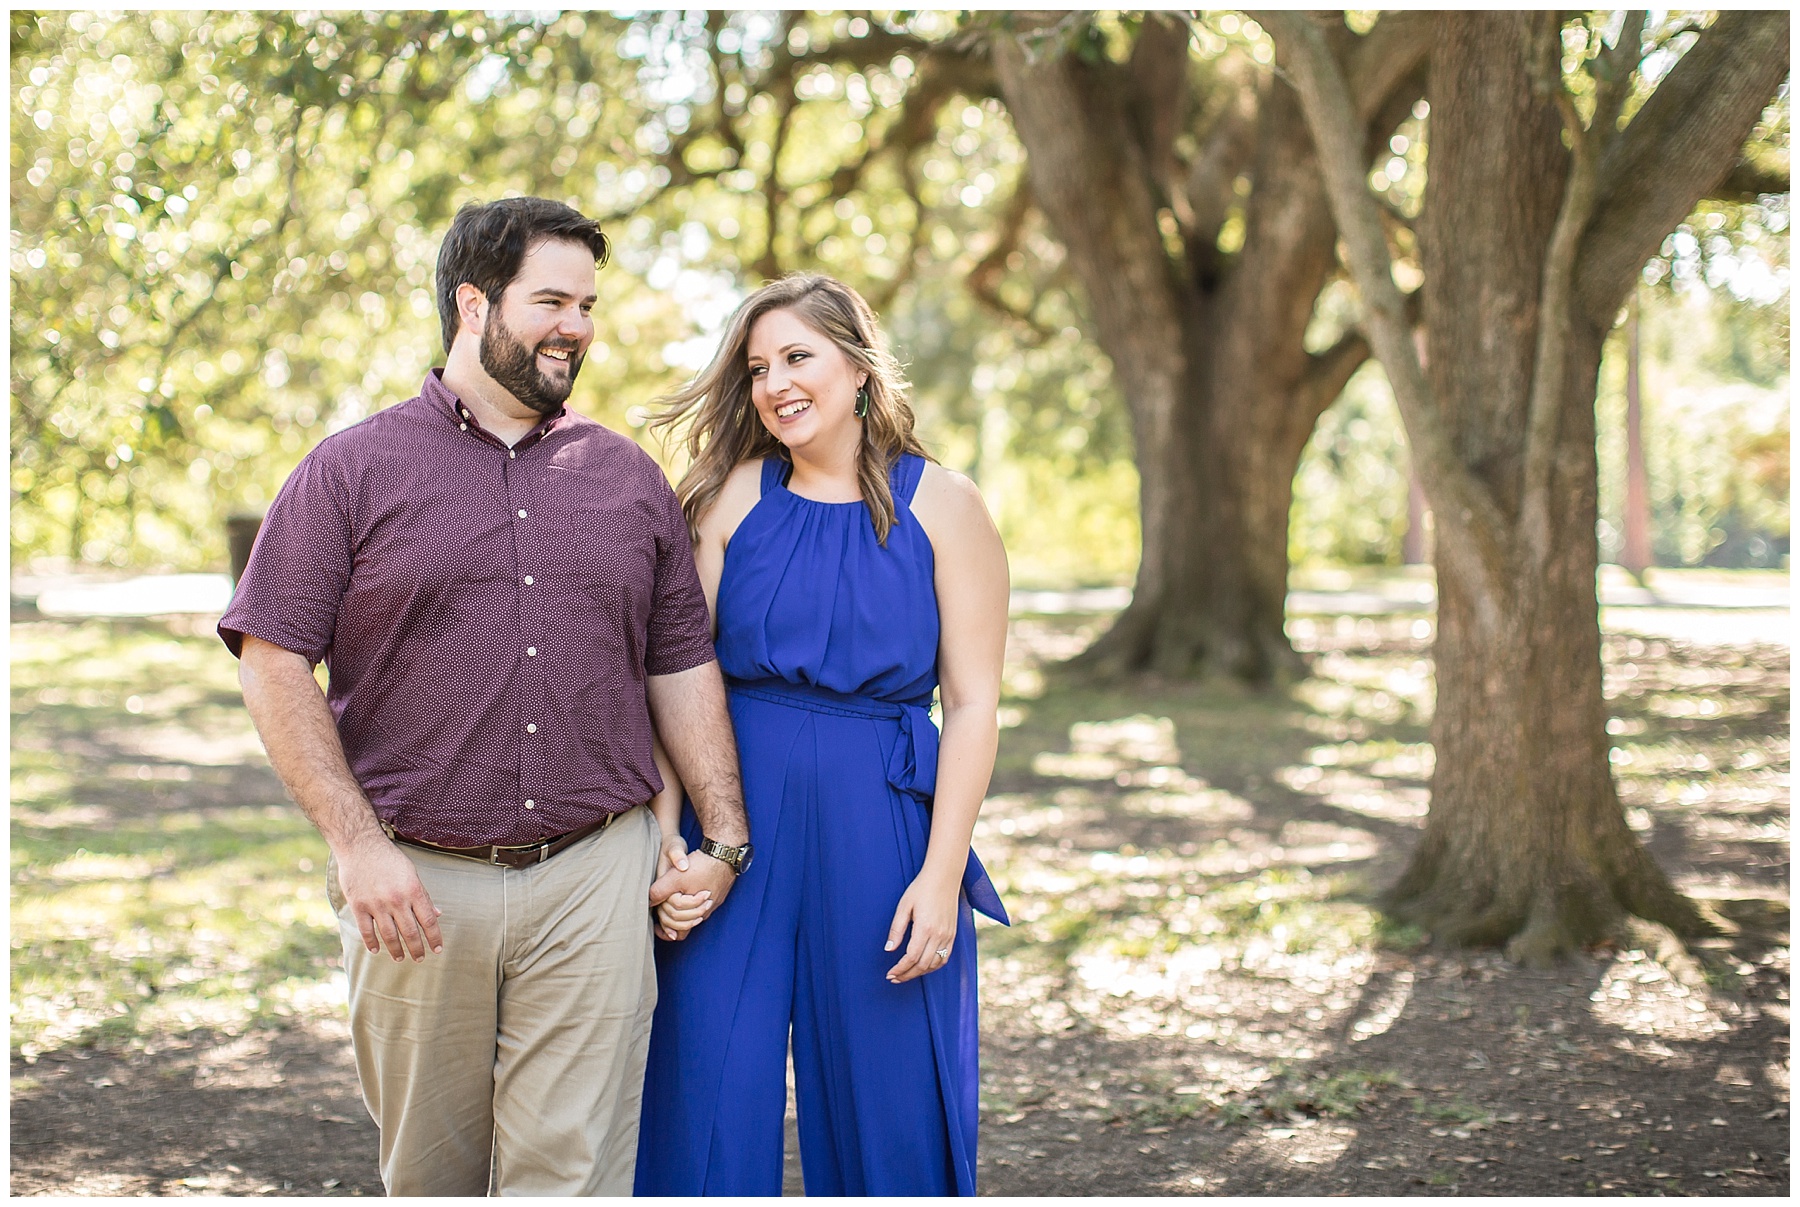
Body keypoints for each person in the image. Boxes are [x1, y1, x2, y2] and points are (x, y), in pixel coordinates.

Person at [220, 196, 750, 1196]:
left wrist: (723, 836)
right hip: (415, 886)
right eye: (552, 299)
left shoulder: (629, 479)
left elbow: (679, 662)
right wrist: (356, 844)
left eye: (588, 305)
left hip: (596, 877)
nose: (577, 327)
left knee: (575, 1171)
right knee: (433, 1176)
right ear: (474, 304)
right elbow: (272, 657)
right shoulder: (350, 471)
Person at [634, 274, 1011, 1196]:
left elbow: (972, 704)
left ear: (859, 366)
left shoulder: (946, 506)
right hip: (736, 823)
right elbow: (677, 678)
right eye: (758, 367)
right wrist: (666, 835)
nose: (775, 384)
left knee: (894, 1103)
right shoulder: (730, 499)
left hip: (881, 827)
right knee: (703, 1084)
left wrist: (939, 871)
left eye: (798, 356)